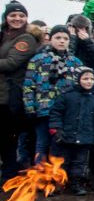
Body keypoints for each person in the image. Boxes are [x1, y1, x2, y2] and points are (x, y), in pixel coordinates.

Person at [22, 25, 84, 163]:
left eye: (65, 38)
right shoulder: (38, 59)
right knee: (42, 143)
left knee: (61, 144)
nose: (62, 41)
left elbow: (80, 88)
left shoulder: (75, 61)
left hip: (66, 112)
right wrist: (30, 107)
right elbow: (28, 85)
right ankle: (40, 176)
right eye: (58, 38)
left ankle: (57, 177)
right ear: (50, 39)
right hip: (43, 109)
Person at [48, 67, 94, 195]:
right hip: (66, 136)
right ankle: (57, 183)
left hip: (85, 137)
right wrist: (57, 130)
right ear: (78, 80)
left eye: (92, 79)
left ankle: (76, 183)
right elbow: (56, 113)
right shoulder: (67, 95)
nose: (89, 82)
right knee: (62, 161)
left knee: (80, 162)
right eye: (85, 78)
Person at [0, 1, 42, 183]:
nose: (17, 19)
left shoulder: (26, 39)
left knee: (9, 139)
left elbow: (11, 63)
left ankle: (9, 175)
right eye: (13, 15)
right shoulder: (3, 36)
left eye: (21, 16)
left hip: (11, 96)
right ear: (6, 18)